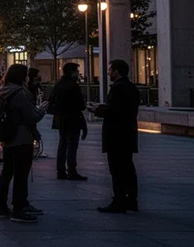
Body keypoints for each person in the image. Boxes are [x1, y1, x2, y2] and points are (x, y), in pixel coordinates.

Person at [0, 64, 45, 223]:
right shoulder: (20, 94)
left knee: (7, 172)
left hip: (7, 137)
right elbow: (31, 116)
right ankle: (18, 209)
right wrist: (42, 110)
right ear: (22, 77)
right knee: (21, 174)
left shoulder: (1, 91)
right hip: (22, 138)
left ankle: (2, 207)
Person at [94, 59, 139, 213]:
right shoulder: (131, 88)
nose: (108, 73)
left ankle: (119, 200)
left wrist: (97, 110)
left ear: (116, 72)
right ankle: (131, 199)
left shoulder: (118, 89)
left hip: (116, 135)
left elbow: (114, 111)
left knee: (117, 169)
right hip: (127, 133)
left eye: (110, 70)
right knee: (128, 168)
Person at [50, 62, 88, 180]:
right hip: (72, 119)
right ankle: (72, 170)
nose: (78, 74)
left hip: (60, 119)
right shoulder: (73, 86)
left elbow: (51, 101)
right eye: (76, 72)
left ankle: (60, 170)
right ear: (72, 73)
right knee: (72, 145)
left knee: (62, 144)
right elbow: (80, 105)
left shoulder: (58, 85)